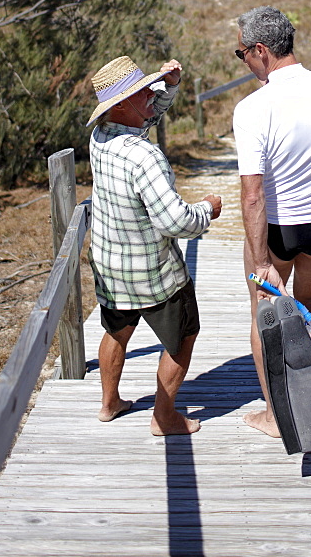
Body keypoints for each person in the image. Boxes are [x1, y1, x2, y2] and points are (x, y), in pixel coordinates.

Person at [87, 54, 222, 436]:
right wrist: (206, 210)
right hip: (154, 271)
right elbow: (174, 220)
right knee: (183, 337)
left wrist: (170, 84)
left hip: (111, 264)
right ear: (122, 104)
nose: (151, 94)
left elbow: (145, 115)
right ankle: (164, 418)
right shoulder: (145, 156)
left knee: (117, 331)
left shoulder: (101, 137)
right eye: (143, 90)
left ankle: (109, 403)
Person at [232, 6, 311, 438]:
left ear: (261, 51)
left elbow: (252, 194)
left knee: (263, 316)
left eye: (241, 52)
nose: (242, 60)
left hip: (279, 229)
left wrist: (262, 261)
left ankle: (278, 416)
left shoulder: (252, 109)